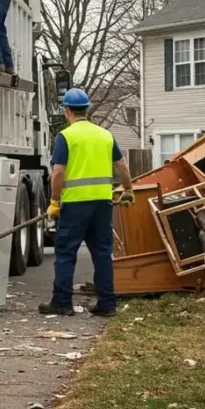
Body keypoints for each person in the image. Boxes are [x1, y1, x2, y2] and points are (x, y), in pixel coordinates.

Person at [40, 88, 134, 317]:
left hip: (74, 205)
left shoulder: (66, 136)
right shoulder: (105, 135)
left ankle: (62, 303)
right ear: (88, 109)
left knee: (66, 253)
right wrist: (128, 190)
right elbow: (122, 165)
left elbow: (58, 172)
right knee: (102, 253)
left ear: (67, 111)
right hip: (103, 204)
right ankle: (107, 305)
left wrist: (54, 201)